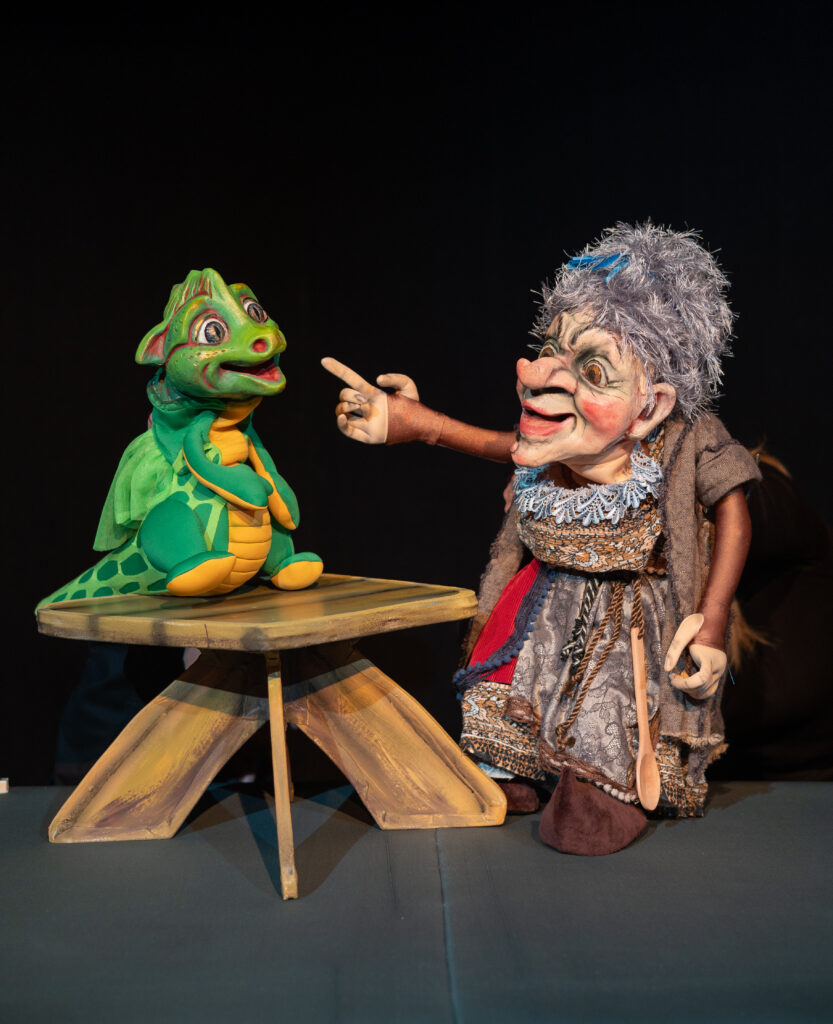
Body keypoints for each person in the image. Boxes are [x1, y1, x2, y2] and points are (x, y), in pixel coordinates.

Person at [323, 223, 760, 854]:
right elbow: (505, 445)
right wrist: (415, 423)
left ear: (650, 405)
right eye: (551, 349)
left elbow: (733, 512)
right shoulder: (554, 447)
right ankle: (515, 767)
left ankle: (604, 787)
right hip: (545, 594)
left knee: (612, 699)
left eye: (593, 369)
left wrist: (712, 624)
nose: (540, 374)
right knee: (513, 676)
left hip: (632, 613)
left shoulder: (689, 439)